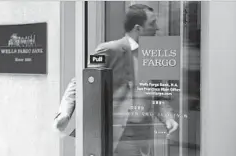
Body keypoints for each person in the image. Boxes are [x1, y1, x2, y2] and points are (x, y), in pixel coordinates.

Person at [54, 4, 178, 156]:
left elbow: (157, 95)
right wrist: (65, 113)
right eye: (152, 23)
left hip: (143, 134)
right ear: (138, 28)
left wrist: (168, 118)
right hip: (118, 134)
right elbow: (80, 81)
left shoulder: (153, 53)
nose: (157, 28)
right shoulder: (110, 49)